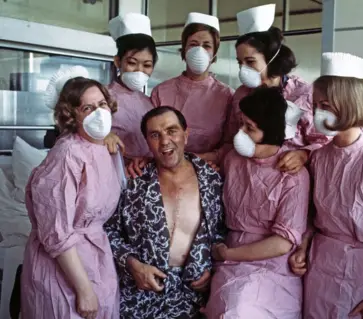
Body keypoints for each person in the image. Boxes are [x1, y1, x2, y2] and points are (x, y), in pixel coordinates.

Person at [288, 52, 363, 319]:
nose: (318, 113)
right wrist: (304, 246)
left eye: (326, 105)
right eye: (316, 105)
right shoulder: (319, 158)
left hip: (361, 277)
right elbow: (311, 215)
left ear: (348, 103)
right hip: (319, 269)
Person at [105, 106, 226, 319]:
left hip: (192, 297)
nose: (164, 141)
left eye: (172, 131)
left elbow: (223, 232)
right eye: (155, 135)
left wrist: (212, 269)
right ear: (146, 142)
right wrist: (133, 265)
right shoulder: (133, 182)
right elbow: (107, 231)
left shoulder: (212, 180)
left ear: (186, 134)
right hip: (139, 295)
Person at [21, 66, 122, 319]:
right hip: (65, 267)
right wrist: (84, 288)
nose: (99, 113)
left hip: (97, 257)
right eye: (87, 108)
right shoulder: (66, 154)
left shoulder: (104, 147)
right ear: (71, 115)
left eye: (102, 104)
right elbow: (56, 231)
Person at [204, 87, 309, 319]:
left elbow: (282, 243)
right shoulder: (233, 159)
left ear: (270, 132)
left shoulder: (293, 175)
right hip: (229, 260)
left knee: (240, 311)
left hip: (273, 266)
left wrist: (228, 254)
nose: (240, 133)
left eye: (249, 128)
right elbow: (203, 160)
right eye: (241, 125)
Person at [218, 4, 329, 174]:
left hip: (290, 181)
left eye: (250, 62)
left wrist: (303, 154)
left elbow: (324, 143)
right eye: (240, 63)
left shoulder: (303, 94)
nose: (243, 69)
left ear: (271, 59)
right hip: (247, 177)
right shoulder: (241, 95)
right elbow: (231, 139)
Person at [150, 12, 233, 164]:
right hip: (165, 168)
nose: (199, 51)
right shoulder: (161, 91)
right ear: (184, 49)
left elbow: (231, 142)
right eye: (193, 45)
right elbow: (150, 136)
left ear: (214, 54)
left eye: (206, 46)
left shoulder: (226, 95)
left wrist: (206, 159)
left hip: (210, 170)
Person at [104, 12, 158, 159]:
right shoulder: (102, 97)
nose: (139, 71)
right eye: (132, 63)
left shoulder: (149, 102)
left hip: (146, 172)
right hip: (114, 171)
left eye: (147, 65)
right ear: (117, 61)